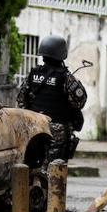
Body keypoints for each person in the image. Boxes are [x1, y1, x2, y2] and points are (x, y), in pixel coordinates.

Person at [17, 34, 87, 162]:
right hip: (57, 133)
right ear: (62, 54)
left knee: (32, 165)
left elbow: (21, 100)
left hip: (34, 128)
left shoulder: (33, 74)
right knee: (55, 168)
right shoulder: (65, 77)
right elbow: (80, 101)